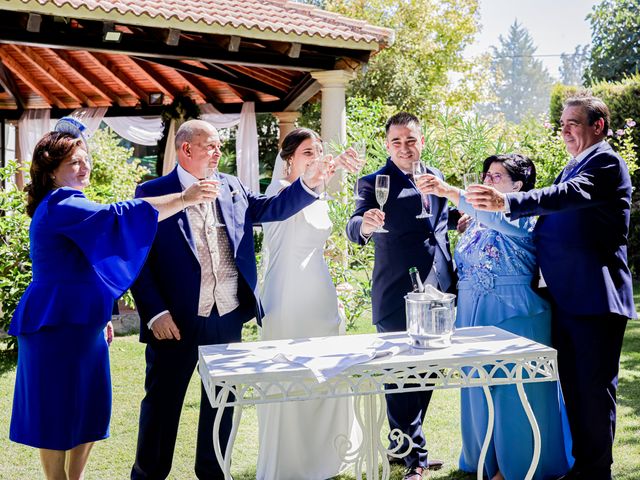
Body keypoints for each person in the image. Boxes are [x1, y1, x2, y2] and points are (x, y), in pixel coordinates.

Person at [129, 119, 339, 480]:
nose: (217, 152)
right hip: (175, 322)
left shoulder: (232, 186)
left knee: (222, 405)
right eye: (210, 146)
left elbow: (272, 208)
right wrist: (155, 312)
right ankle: (148, 476)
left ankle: (213, 473)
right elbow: (138, 259)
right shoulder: (152, 191)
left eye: (218, 145)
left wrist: (309, 183)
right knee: (162, 406)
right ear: (186, 150)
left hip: (226, 317)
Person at [8, 128, 215, 480]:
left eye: (86, 159)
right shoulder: (61, 204)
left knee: (89, 407)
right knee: (57, 410)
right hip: (55, 322)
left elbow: (92, 261)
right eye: (74, 162)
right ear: (51, 170)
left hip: (85, 320)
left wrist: (102, 311)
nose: (84, 166)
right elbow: (120, 216)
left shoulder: (71, 203)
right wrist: (183, 198)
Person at [465, 96, 636, 479]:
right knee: (573, 390)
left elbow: (562, 197)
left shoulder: (605, 163)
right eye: (561, 123)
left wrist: (506, 202)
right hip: (566, 298)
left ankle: (596, 472)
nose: (564, 129)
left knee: (592, 390)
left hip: (595, 296)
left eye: (573, 122)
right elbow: (552, 220)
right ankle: (585, 468)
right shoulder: (575, 165)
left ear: (598, 126)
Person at [417, 153, 573, 479]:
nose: (487, 181)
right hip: (474, 314)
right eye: (486, 175)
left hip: (516, 314)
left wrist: (449, 191)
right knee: (478, 387)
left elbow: (501, 223)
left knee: (514, 393)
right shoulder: (474, 221)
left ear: (518, 184)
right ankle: (485, 460)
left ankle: (517, 465)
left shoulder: (527, 214)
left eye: (496, 177)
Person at [346, 112, 455, 480]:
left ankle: (402, 445)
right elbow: (355, 223)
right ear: (387, 144)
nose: (405, 147)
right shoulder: (373, 182)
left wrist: (461, 219)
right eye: (397, 142)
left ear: (421, 140)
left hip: (438, 291)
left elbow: (438, 219)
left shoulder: (435, 177)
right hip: (397, 292)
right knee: (400, 376)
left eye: (411, 140)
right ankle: (416, 457)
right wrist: (365, 225)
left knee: (429, 373)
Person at [255, 128, 362, 480]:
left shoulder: (316, 193)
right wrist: (315, 181)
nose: (315, 157)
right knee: (291, 373)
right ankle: (290, 462)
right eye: (306, 152)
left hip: (319, 290)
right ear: (288, 159)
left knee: (326, 373)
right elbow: (289, 209)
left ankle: (325, 457)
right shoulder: (278, 193)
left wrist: (330, 174)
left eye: (318, 150)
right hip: (288, 293)